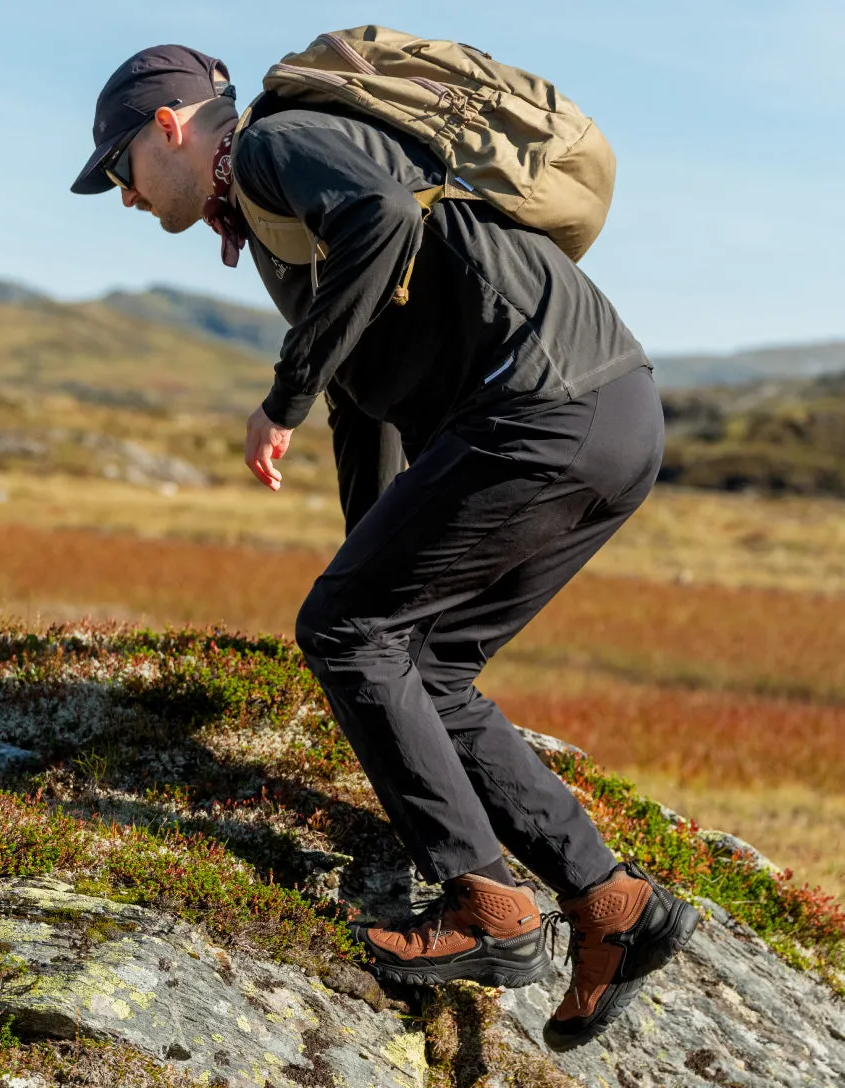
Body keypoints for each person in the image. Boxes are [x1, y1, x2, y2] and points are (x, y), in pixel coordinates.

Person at [71, 42, 699, 1051]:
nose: (124, 196)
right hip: (613, 410)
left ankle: (486, 909)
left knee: (351, 630)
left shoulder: (275, 143)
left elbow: (383, 217)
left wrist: (283, 395)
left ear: (173, 126)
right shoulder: (284, 230)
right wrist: (368, 568)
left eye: (119, 168)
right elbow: (370, 403)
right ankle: (613, 904)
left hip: (539, 408)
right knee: (424, 661)